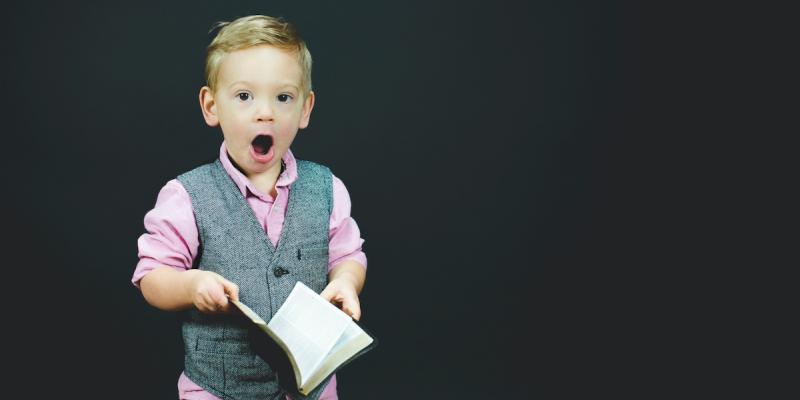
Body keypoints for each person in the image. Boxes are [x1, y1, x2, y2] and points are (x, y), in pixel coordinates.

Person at [131, 15, 367, 400]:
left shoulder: (327, 188)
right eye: (244, 96)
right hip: (218, 389)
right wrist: (191, 285)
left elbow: (348, 254)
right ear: (211, 106)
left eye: (283, 97)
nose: (265, 113)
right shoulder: (186, 195)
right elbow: (151, 276)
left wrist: (345, 280)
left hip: (311, 388)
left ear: (305, 109)